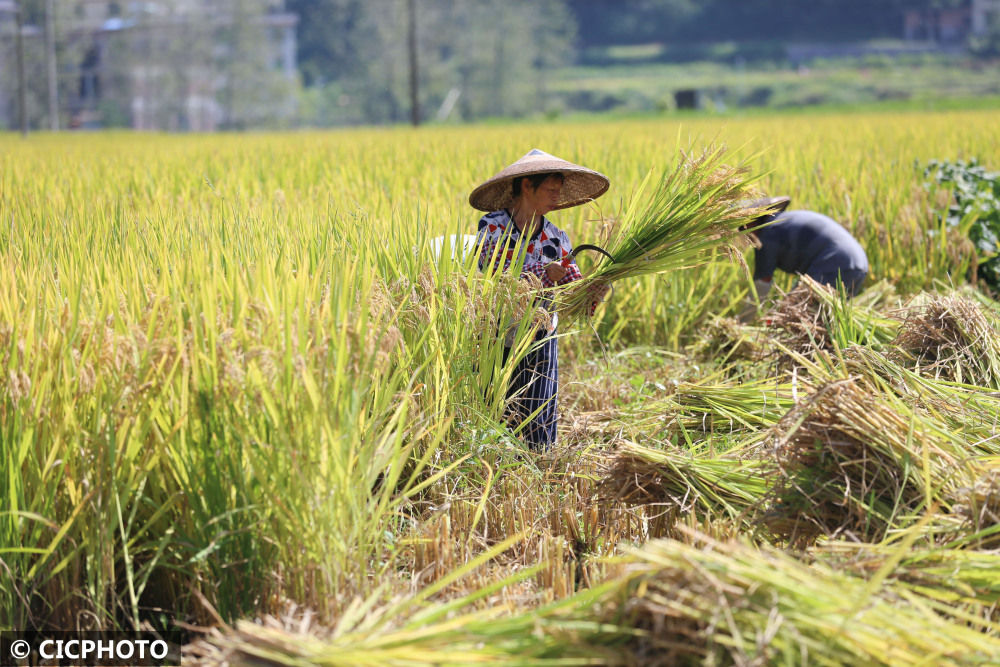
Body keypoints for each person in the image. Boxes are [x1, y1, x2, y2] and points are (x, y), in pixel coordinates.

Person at [469, 149, 609, 451]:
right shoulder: (492, 227)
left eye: (558, 191)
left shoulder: (556, 238)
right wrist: (543, 273)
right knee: (496, 413)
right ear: (527, 186)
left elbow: (575, 292)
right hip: (497, 338)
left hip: (541, 338)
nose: (556, 198)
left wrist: (594, 290)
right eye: (550, 190)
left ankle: (541, 469)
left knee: (539, 420)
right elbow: (491, 274)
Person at [741, 196, 869, 319]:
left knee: (792, 312)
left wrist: (743, 320)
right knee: (829, 319)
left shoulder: (767, 233)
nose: (746, 233)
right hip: (859, 263)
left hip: (834, 262)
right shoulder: (782, 222)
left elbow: (762, 284)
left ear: (753, 222)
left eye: (744, 226)